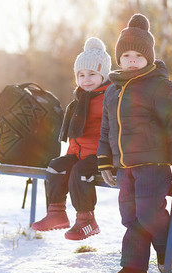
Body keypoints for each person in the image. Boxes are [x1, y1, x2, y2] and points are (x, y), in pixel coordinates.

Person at [97, 14, 172, 273]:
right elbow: (106, 130)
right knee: (131, 217)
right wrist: (105, 161)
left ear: (148, 57)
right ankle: (134, 268)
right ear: (119, 58)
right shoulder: (112, 90)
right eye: (125, 54)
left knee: (148, 211)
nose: (131, 59)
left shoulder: (158, 84)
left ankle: (165, 247)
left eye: (138, 55)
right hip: (125, 167)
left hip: (153, 163)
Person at [31, 37, 111, 241]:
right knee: (55, 166)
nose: (86, 79)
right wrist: (69, 155)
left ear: (103, 74)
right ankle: (56, 212)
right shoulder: (78, 100)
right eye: (81, 75)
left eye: (92, 74)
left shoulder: (111, 98)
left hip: (102, 155)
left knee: (79, 172)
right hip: (79, 153)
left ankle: (86, 220)